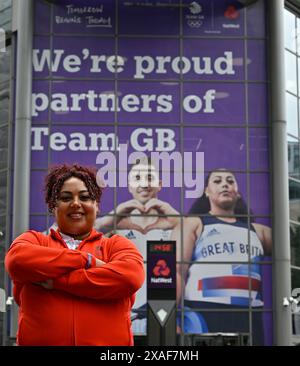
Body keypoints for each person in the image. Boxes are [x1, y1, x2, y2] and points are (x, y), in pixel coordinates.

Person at [5, 163, 145, 346]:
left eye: (85, 197)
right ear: (52, 207)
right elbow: (16, 261)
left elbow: (130, 277)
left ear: (96, 206)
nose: (76, 203)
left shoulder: (116, 245)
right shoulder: (34, 241)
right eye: (65, 197)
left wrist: (57, 281)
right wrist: (87, 261)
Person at [171, 168, 272, 345]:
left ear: (238, 192)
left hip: (249, 317)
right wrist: (169, 320)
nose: (225, 184)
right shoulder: (193, 223)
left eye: (230, 181)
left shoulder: (260, 231)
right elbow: (175, 271)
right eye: (217, 181)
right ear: (206, 191)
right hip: (204, 314)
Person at [94, 157, 179, 334]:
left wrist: (174, 216)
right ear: (130, 185)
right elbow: (81, 236)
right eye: (137, 178)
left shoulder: (174, 223)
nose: (144, 184)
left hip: (162, 313)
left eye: (150, 177)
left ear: (160, 184)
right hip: (122, 314)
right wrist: (114, 216)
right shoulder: (114, 224)